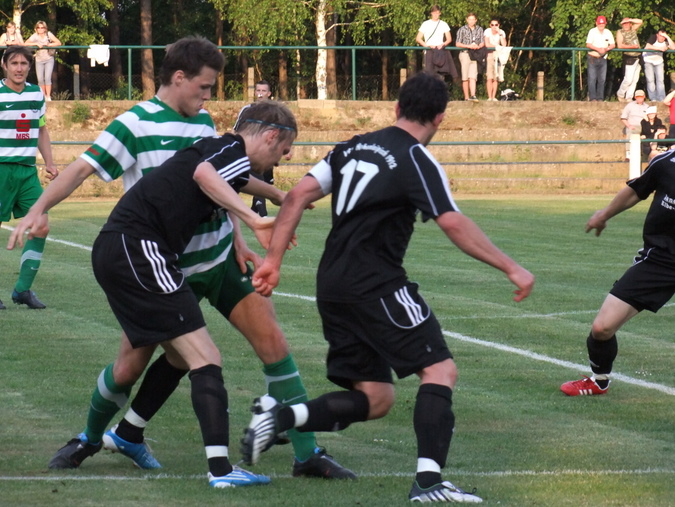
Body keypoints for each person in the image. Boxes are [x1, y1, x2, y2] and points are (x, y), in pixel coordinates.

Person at [10, 36, 352, 480]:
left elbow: (224, 179)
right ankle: (92, 437)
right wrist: (39, 208)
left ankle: (307, 454)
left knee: (274, 345)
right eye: (204, 87)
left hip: (218, 257)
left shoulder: (204, 121)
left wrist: (240, 235)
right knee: (130, 367)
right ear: (178, 77)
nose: (209, 96)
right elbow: (80, 169)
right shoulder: (134, 123)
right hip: (164, 265)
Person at [244, 72, 535, 503]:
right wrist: (512, 267)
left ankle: (281, 417)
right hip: (376, 283)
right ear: (440, 118)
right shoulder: (417, 158)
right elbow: (452, 222)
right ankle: (429, 484)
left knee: (376, 398)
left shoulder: (351, 147)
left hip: (333, 284)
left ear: (397, 108)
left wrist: (273, 261)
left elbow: (297, 195)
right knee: (440, 371)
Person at [560, 149, 675, 396]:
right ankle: (599, 381)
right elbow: (636, 191)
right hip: (660, 261)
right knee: (602, 328)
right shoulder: (667, 162)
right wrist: (604, 214)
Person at [0, 45, 58, 311]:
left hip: (27, 171)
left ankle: (22, 290)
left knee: (41, 225)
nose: (19, 68)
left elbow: (41, 130)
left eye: (24, 63)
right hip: (1, 169)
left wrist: (50, 162)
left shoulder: (36, 93)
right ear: (4, 65)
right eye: (14, 63)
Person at [234, 80, 276, 217]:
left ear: (269, 93)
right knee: (259, 180)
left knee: (267, 182)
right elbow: (237, 129)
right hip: (251, 151)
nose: (260, 94)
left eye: (263, 91)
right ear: (254, 92)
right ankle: (263, 215)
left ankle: (254, 209)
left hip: (268, 151)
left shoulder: (275, 112)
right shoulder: (247, 110)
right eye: (258, 90)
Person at [416, 5, 456, 80]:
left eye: (437, 13)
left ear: (440, 13)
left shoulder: (443, 24)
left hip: (440, 51)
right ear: (431, 13)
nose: (435, 15)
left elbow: (449, 39)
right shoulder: (425, 24)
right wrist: (427, 46)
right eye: (434, 13)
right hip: (429, 51)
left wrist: (443, 44)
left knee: (440, 75)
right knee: (428, 75)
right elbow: (418, 38)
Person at [24, 20, 61, 101]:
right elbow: (26, 43)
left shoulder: (49, 34)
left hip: (49, 58)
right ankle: (43, 96)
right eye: (38, 27)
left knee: (47, 78)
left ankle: (48, 96)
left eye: (42, 27)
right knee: (40, 79)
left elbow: (58, 42)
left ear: (45, 28)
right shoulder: (35, 36)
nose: (40, 29)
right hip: (39, 59)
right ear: (36, 29)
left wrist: (50, 44)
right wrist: (36, 44)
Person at [585, 15, 615, 102]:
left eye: (603, 24)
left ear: (605, 24)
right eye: (600, 24)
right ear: (596, 23)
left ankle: (600, 98)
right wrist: (598, 49)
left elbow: (613, 44)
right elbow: (588, 44)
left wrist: (606, 49)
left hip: (603, 58)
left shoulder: (608, 32)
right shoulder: (592, 31)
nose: (601, 25)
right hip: (592, 57)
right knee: (592, 79)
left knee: (602, 79)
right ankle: (593, 98)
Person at [456, 13, 485, 101]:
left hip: (475, 54)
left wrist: (478, 46)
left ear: (476, 20)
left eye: (473, 19)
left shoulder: (479, 29)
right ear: (467, 20)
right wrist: (468, 46)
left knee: (473, 76)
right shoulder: (462, 29)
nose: (471, 21)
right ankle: (466, 97)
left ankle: (473, 95)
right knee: (465, 76)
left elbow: (482, 42)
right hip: (465, 53)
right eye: (470, 19)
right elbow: (457, 43)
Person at [615, 17, 643, 102]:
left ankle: (629, 97)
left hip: (638, 56)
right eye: (624, 23)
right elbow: (620, 45)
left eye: (627, 23)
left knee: (635, 80)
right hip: (629, 57)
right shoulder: (620, 32)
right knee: (628, 79)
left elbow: (640, 21)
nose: (625, 25)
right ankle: (620, 94)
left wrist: (630, 20)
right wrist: (632, 47)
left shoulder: (633, 29)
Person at [644, 29, 675, 102]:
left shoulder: (666, 41)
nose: (662, 38)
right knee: (650, 80)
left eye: (664, 36)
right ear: (657, 35)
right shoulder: (653, 37)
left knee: (660, 80)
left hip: (659, 62)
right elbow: (648, 46)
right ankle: (653, 98)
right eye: (661, 35)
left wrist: (667, 37)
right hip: (648, 60)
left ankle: (661, 98)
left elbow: (673, 47)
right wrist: (660, 49)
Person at [620, 89, 649, 161]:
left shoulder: (647, 106)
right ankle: (628, 154)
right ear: (635, 97)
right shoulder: (630, 105)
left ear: (644, 97)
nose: (639, 98)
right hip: (633, 126)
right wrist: (629, 125)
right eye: (638, 97)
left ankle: (646, 155)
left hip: (644, 126)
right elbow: (623, 118)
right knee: (629, 132)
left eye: (641, 97)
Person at [484, 19, 507, 102]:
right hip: (489, 55)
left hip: (498, 55)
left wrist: (500, 34)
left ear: (499, 25)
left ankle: (493, 97)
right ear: (490, 25)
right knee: (489, 77)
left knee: (496, 77)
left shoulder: (502, 32)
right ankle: (489, 97)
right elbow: (487, 44)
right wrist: (497, 46)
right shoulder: (487, 31)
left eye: (496, 25)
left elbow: (504, 44)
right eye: (492, 25)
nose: (494, 26)